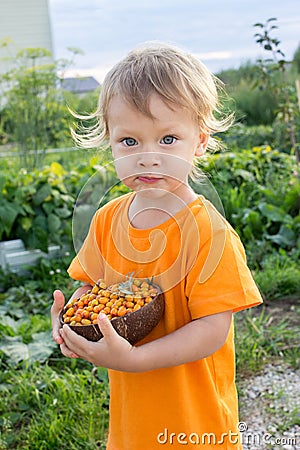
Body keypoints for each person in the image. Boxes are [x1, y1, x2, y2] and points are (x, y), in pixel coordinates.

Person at [51, 42, 263, 449]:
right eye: (129, 142)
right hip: (134, 426)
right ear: (109, 143)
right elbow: (91, 293)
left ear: (198, 143)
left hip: (194, 425)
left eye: (168, 139)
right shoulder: (106, 220)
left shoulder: (208, 232)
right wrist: (73, 327)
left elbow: (212, 330)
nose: (148, 158)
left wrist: (135, 359)